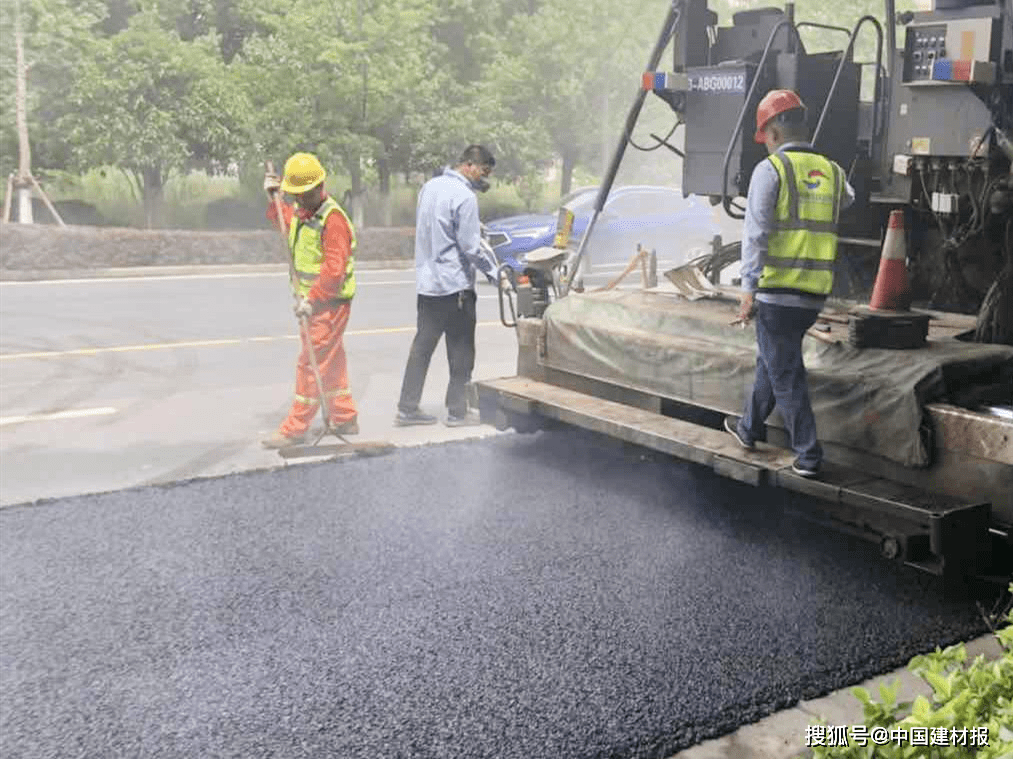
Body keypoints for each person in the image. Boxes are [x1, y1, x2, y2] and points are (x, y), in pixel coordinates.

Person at [724, 90, 854, 477]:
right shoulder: (833, 171)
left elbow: (756, 233)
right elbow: (847, 200)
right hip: (813, 293)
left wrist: (747, 290)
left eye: (764, 139)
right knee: (772, 361)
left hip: (777, 292)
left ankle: (809, 456)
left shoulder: (771, 171)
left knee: (786, 374)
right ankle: (748, 428)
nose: (765, 147)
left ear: (773, 133)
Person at [261, 152, 360, 448]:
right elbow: (286, 222)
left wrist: (312, 301)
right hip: (314, 302)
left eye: (301, 196)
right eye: (295, 196)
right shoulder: (305, 214)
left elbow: (334, 271)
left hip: (328, 305)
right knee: (331, 359)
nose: (298, 202)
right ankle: (344, 416)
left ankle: (296, 428)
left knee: (311, 362)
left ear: (318, 188)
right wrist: (274, 200)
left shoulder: (333, 221)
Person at [395, 145, 497, 427]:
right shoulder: (465, 196)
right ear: (470, 166)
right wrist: (496, 274)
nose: (485, 178)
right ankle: (457, 412)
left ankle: (407, 408)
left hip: (428, 286)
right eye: (485, 172)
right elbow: (470, 247)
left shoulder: (429, 187)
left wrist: (476, 227)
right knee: (462, 352)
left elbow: (438, 226)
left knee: (422, 349)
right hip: (456, 289)